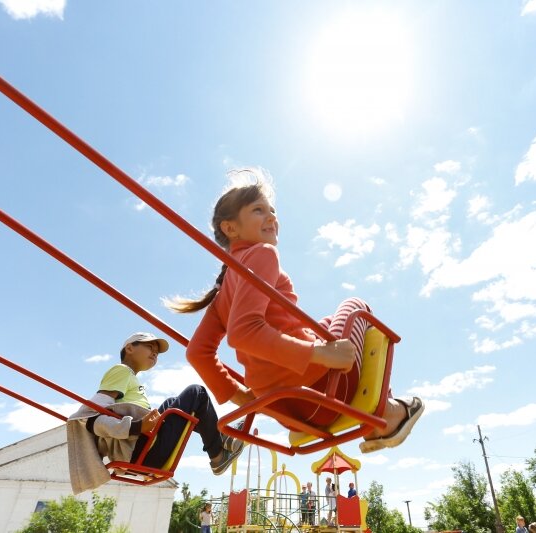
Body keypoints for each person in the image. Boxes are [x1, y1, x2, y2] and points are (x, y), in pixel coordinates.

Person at [172, 177, 424, 453]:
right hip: (323, 392)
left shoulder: (223, 293)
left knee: (322, 324)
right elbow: (244, 332)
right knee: (356, 306)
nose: (271, 216)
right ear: (230, 228)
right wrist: (319, 354)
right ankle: (387, 412)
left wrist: (244, 398)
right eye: (258, 210)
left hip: (289, 414)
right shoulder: (262, 253)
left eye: (272, 210)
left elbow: (198, 353)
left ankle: (381, 409)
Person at [67, 332, 245, 493]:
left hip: (143, 452)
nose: (154, 353)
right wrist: (137, 427)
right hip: (143, 451)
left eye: (157, 352)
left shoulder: (130, 378)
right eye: (149, 347)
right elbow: (91, 418)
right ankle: (218, 454)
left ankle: (221, 438)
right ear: (129, 348)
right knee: (196, 393)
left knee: (170, 404)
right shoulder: (121, 371)